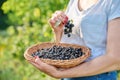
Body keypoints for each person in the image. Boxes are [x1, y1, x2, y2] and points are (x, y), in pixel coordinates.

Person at [28, 0, 120, 80]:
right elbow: (67, 47)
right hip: (69, 76)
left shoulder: (114, 3)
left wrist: (59, 73)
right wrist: (58, 31)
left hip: (97, 77)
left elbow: (115, 59)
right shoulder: (74, 1)